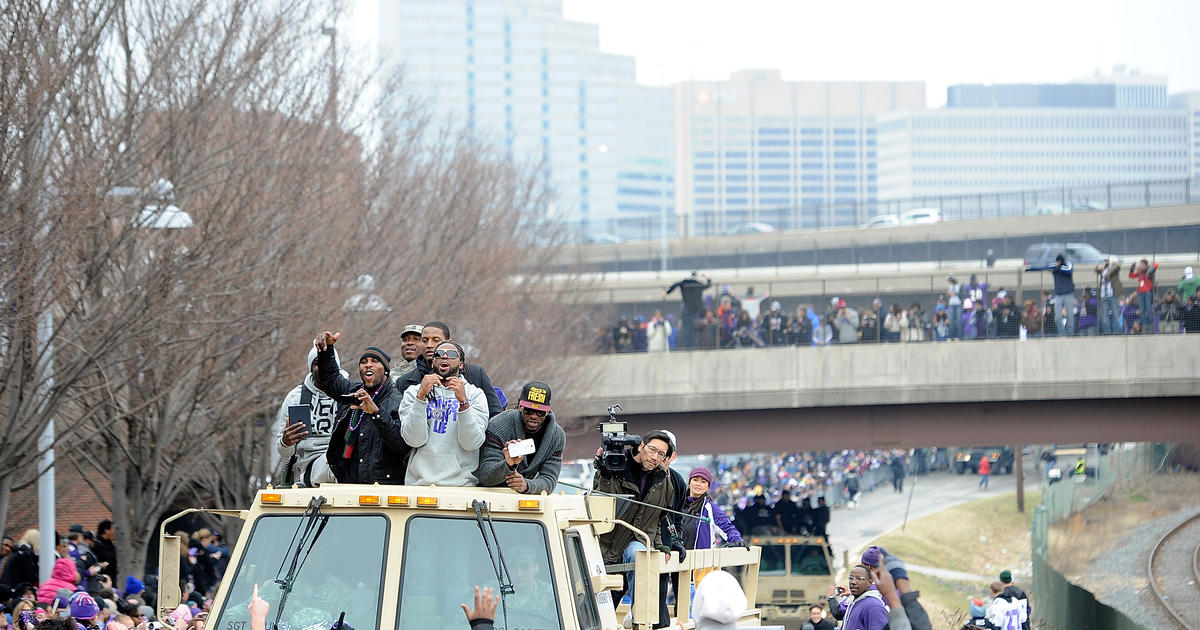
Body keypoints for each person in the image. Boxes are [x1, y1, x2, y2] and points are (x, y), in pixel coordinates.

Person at [591, 430, 684, 608]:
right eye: (652, 450)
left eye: (661, 454)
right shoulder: (617, 465)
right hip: (608, 544)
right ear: (641, 446)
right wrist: (605, 473)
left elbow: (657, 518)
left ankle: (639, 618)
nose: (655, 457)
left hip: (638, 541)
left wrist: (661, 543)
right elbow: (602, 501)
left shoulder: (664, 480)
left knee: (639, 556)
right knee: (601, 606)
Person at [315, 331, 409, 483]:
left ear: (385, 369)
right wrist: (327, 351)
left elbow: (401, 445)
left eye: (374, 361)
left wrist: (376, 413)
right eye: (364, 362)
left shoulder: (397, 400)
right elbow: (331, 379)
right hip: (350, 482)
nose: (368, 365)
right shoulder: (355, 393)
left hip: (384, 485)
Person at [399, 340, 488, 486]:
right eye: (439, 354)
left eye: (451, 354)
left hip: (461, 485)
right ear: (433, 362)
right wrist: (421, 397)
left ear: (461, 364)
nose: (444, 357)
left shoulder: (475, 394)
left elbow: (472, 443)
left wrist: (463, 403)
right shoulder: (414, 392)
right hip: (419, 484)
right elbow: (413, 440)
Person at [395, 321, 503, 417]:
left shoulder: (475, 374)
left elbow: (495, 414)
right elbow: (400, 420)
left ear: (449, 343)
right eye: (424, 340)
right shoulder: (405, 381)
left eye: (436, 340)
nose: (429, 345)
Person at [476, 381, 566, 494]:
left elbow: (549, 480)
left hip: (524, 499)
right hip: (489, 495)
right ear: (520, 406)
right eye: (528, 411)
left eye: (540, 413)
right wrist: (508, 464)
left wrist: (527, 485)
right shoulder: (498, 426)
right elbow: (485, 476)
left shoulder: (557, 436)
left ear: (548, 411)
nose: (533, 416)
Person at [274, 346, 344, 487]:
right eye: (318, 363)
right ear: (311, 367)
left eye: (328, 362)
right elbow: (284, 453)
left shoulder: (349, 393)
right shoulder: (296, 397)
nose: (324, 367)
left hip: (346, 457)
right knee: (339, 464)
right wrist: (286, 442)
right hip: (312, 464)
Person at [682, 467, 742, 549]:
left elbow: (727, 527)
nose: (698, 484)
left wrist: (737, 540)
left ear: (708, 487)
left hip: (702, 559)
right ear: (689, 483)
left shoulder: (710, 508)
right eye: (695, 480)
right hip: (676, 558)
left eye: (703, 482)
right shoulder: (678, 504)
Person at [825, 565, 887, 630]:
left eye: (859, 578)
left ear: (870, 582)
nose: (853, 582)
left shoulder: (873, 606)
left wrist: (831, 597)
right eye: (851, 578)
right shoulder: (854, 600)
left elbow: (837, 612)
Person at [1031, 254, 1076, 336]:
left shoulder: (1068, 265)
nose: (1058, 263)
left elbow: (1069, 270)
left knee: (1070, 316)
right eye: (1057, 261)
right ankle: (1062, 334)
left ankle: (1070, 334)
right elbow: (1043, 267)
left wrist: (1058, 268)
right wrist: (1030, 268)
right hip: (1059, 295)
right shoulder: (1054, 266)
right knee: (1058, 317)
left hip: (1069, 295)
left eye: (1059, 261)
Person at [665, 271, 712, 349]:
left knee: (688, 330)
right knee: (691, 330)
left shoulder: (685, 283)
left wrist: (667, 292)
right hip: (694, 311)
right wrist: (707, 277)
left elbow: (675, 285)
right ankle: (691, 346)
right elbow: (709, 284)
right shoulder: (698, 284)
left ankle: (688, 346)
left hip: (688, 311)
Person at [1129, 259, 1158, 333]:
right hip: (1140, 292)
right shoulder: (1139, 272)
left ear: (1145, 265)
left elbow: (1156, 265)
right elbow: (1131, 276)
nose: (1141, 265)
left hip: (1147, 292)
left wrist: (1148, 268)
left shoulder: (1149, 272)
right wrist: (1132, 269)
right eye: (1140, 264)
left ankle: (1150, 328)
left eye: (1142, 264)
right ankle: (1144, 328)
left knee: (1148, 309)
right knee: (1142, 310)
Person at [1096, 257, 1122, 334]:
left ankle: (1116, 332)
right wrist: (1101, 267)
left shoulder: (1115, 268)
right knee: (1104, 316)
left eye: (1107, 261)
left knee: (1115, 314)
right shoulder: (1103, 269)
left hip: (1112, 294)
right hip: (1103, 295)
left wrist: (1109, 271)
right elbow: (1096, 270)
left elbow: (1117, 266)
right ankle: (1107, 332)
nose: (1106, 262)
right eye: (1105, 261)